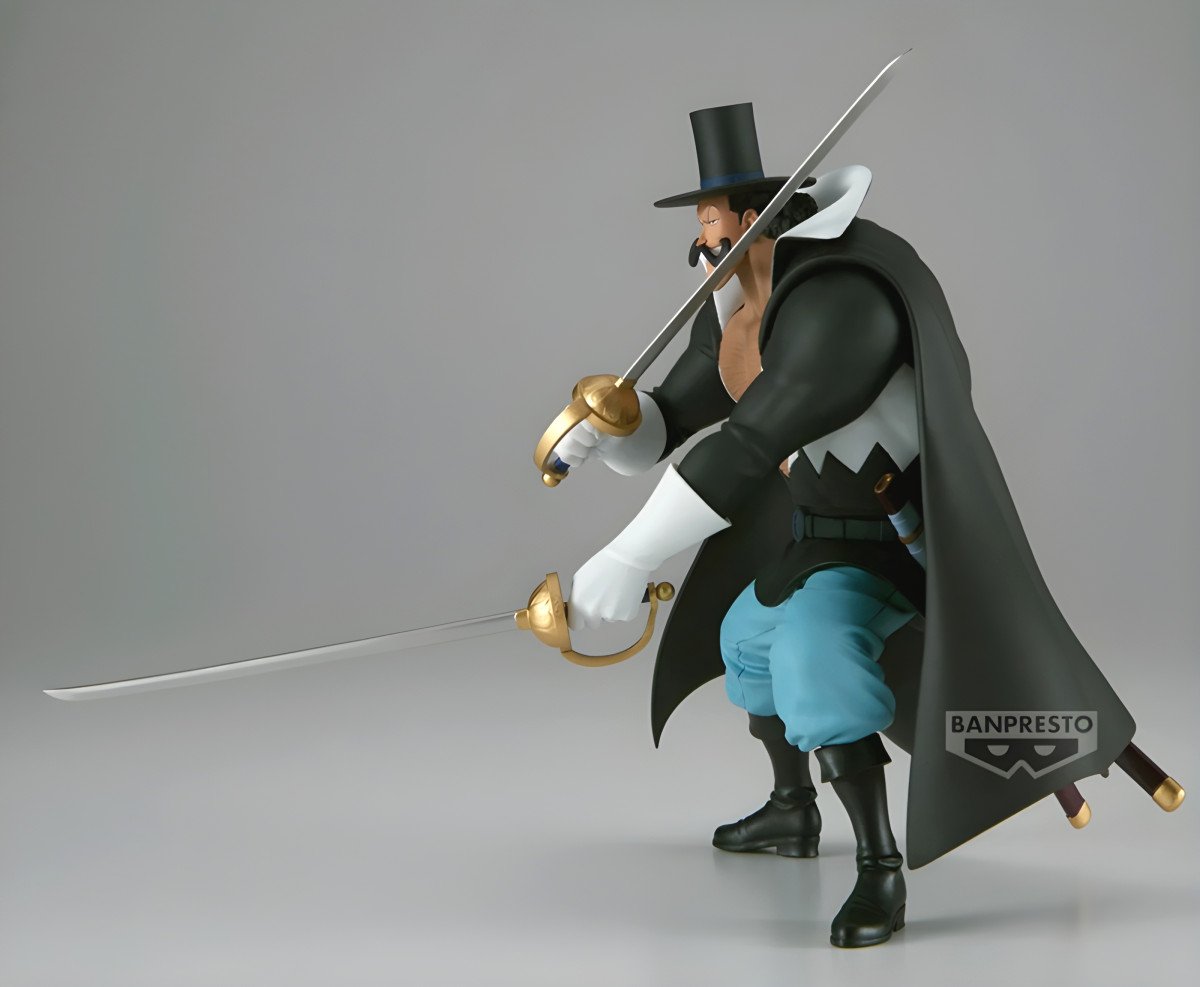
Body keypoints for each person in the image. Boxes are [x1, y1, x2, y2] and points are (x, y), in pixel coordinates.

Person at [552, 102, 1134, 947]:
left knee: (812, 660)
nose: (701, 245)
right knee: (747, 642)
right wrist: (608, 434)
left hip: (895, 542)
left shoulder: (843, 301)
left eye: (712, 225)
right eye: (700, 228)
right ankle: (793, 808)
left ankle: (879, 865)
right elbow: (671, 419)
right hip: (814, 537)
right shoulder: (740, 308)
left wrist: (628, 555)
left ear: (754, 219)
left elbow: (750, 443)